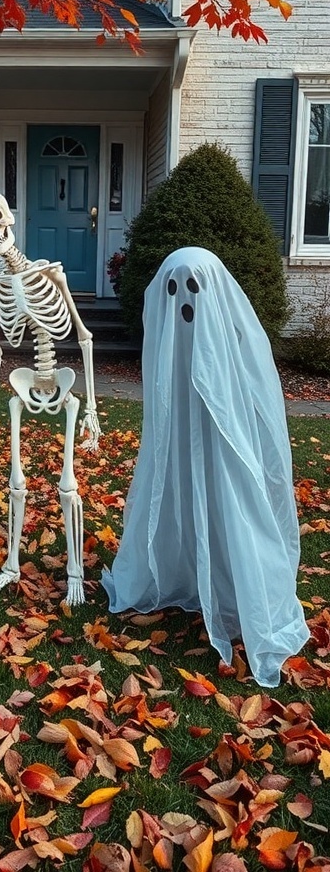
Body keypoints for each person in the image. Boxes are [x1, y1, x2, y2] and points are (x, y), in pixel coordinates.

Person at [102, 247, 310, 688]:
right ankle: (182, 569)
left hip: (224, 433)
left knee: (232, 501)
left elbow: (256, 401)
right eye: (173, 290)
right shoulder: (167, 349)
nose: (184, 302)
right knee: (175, 490)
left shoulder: (235, 344)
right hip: (179, 423)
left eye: (194, 288)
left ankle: (240, 583)